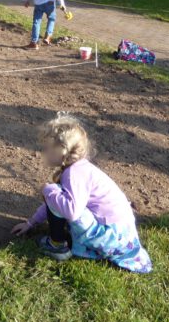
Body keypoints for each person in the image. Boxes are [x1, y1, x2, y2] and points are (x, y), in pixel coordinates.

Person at [11, 114, 153, 274]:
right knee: (58, 196)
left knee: (56, 194)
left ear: (62, 150)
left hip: (110, 237)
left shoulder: (74, 174)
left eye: (46, 148)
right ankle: (84, 245)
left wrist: (48, 190)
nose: (42, 152)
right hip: (121, 237)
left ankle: (58, 246)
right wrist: (31, 223)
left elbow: (71, 212)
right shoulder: (80, 168)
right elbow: (55, 203)